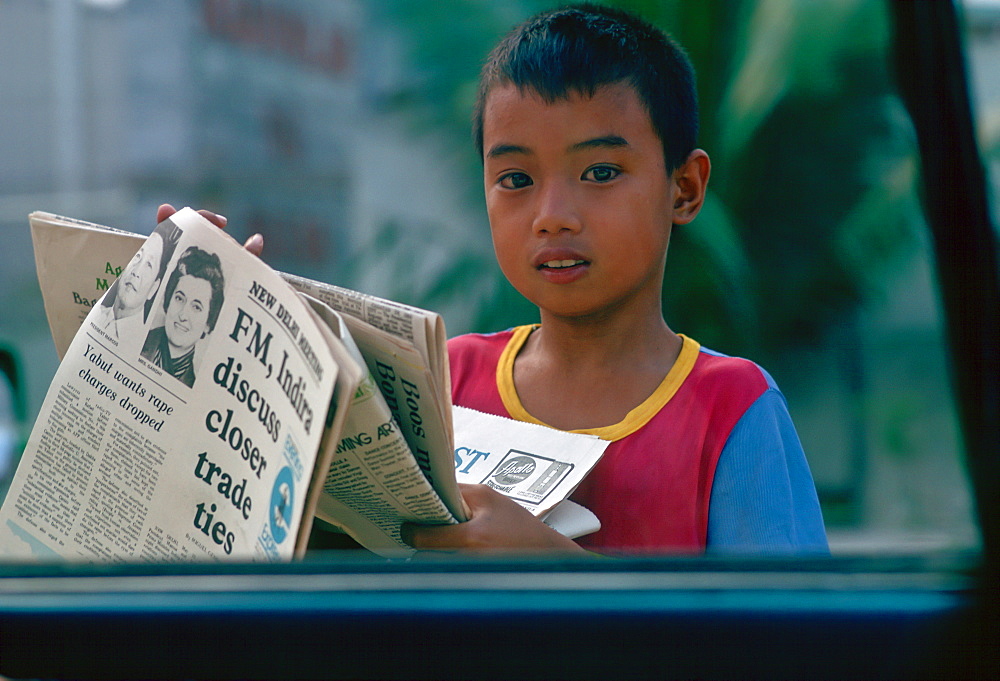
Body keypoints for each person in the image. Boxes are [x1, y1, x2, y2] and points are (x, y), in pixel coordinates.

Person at [399, 4, 828, 555]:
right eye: (516, 178)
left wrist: (561, 572)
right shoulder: (445, 381)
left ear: (685, 188)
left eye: (600, 172)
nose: (552, 215)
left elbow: (783, 635)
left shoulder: (732, 408)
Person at [141, 245, 226, 388]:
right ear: (169, 300)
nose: (183, 315)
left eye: (196, 307)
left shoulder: (194, 385)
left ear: (208, 324)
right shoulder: (139, 339)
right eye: (180, 299)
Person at [92, 226, 177, 341]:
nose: (136, 272)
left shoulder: (144, 342)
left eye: (149, 265)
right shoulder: (96, 315)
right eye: (138, 256)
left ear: (154, 288)